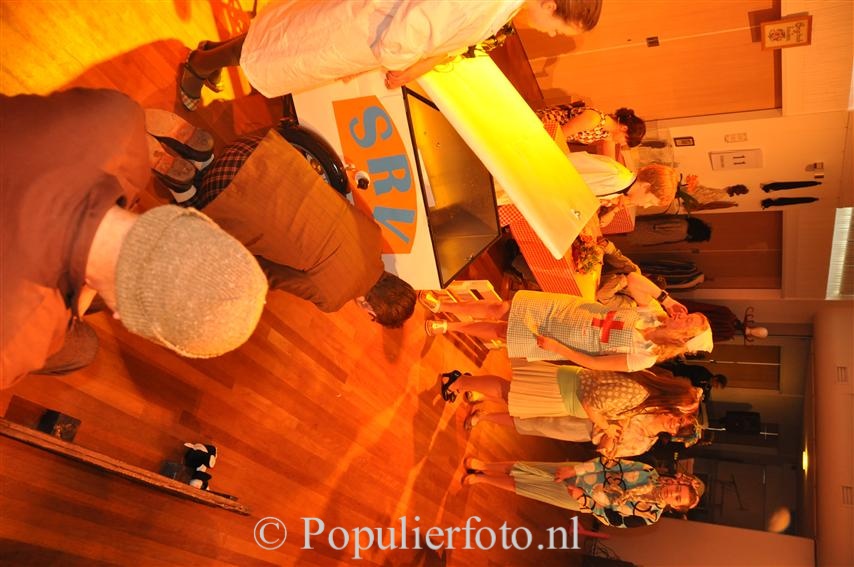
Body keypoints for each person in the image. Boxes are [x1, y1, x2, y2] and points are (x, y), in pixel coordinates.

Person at [0, 89, 269, 389]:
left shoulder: (120, 121)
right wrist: (68, 316)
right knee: (83, 350)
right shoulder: (15, 345)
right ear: (121, 316)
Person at [179, 127, 416, 327]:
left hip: (258, 147)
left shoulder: (374, 234)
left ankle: (203, 158)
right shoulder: (331, 299)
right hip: (226, 187)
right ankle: (185, 190)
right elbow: (267, 273)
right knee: (215, 243)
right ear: (371, 310)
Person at [178, 0, 603, 109]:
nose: (551, 33)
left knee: (279, 41)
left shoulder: (505, 7)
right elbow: (409, 31)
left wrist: (424, 61)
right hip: (369, 28)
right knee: (276, 49)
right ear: (551, 4)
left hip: (369, 25)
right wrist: (403, 63)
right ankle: (198, 66)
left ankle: (210, 55)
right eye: (559, 27)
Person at [423, 277, 712, 371]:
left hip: (565, 340)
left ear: (682, 339)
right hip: (568, 310)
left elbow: (595, 363)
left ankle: (450, 327)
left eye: (688, 322)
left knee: (503, 331)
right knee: (503, 308)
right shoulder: (654, 314)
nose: (683, 316)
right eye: (689, 314)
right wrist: (667, 299)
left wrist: (557, 348)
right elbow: (633, 280)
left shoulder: (645, 356)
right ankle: (444, 306)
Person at [440, 363, 702, 458]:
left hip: (571, 400)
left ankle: (467, 385)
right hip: (569, 394)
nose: (674, 419)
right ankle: (459, 381)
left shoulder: (645, 404)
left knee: (516, 402)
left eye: (678, 425)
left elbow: (606, 450)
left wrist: (610, 435)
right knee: (511, 394)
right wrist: (609, 426)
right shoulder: (641, 395)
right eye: (679, 416)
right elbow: (592, 401)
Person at [461, 456, 704, 528]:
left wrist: (583, 500)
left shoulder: (649, 516)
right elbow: (610, 462)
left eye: (677, 498)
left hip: (577, 499)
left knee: (527, 487)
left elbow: (612, 519)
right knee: (530, 468)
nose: (672, 493)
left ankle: (483, 479)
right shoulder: (649, 471)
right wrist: (574, 469)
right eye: (677, 489)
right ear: (676, 483)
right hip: (581, 472)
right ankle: (485, 465)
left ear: (675, 507)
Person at [536, 104, 645, 159]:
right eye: (625, 140)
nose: (622, 143)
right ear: (624, 128)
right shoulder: (594, 119)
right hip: (541, 125)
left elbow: (610, 161)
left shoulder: (607, 132)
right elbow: (560, 133)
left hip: (549, 134)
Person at [659, 360, 727, 402]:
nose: (715, 386)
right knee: (658, 368)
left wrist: (702, 397)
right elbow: (693, 381)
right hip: (677, 372)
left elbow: (706, 398)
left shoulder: (708, 386)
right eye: (716, 385)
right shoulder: (704, 372)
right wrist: (699, 390)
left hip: (676, 383)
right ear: (715, 378)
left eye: (716, 387)